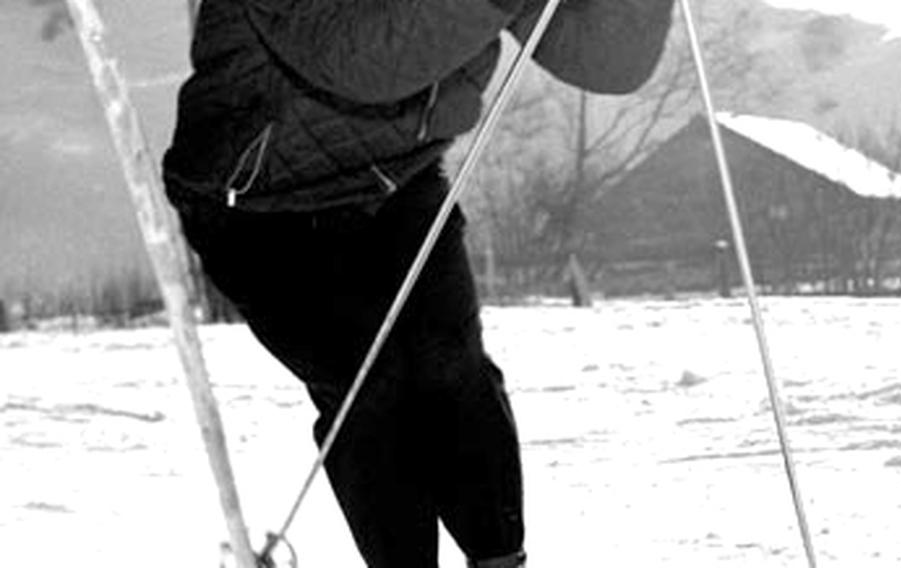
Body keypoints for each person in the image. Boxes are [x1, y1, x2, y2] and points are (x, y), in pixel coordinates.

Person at [163, 1, 674, 566]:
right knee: (372, 387)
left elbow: (607, 59)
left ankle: (501, 561)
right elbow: (362, 61)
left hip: (396, 178)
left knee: (455, 372)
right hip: (257, 201)